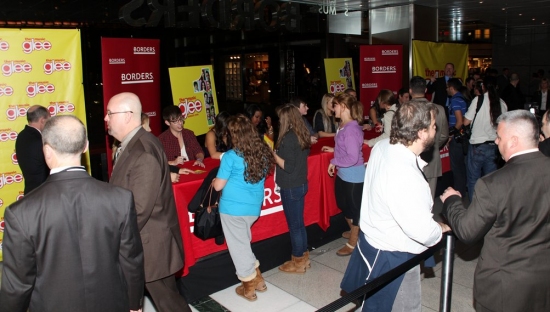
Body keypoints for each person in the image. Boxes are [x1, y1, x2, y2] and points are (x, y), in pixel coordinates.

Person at [0, 115, 145, 312]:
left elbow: (17, 285)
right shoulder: (120, 198)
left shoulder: (21, 213)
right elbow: (131, 261)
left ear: (46, 150)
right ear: (85, 146)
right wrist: (134, 304)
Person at [341, 101, 450, 312]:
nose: (437, 130)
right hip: (395, 257)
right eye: (434, 126)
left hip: (374, 241)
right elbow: (421, 231)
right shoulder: (406, 175)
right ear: (421, 133)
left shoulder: (383, 147)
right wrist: (440, 229)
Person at [440, 110, 550, 312]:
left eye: (499, 136)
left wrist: (452, 201)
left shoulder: (493, 184)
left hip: (504, 287)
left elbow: (467, 231)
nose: (496, 141)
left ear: (514, 140)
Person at [105, 92, 191, 312]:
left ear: (127, 115)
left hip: (151, 245)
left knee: (169, 303)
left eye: (110, 113)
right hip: (144, 241)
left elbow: (140, 209)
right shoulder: (132, 144)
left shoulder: (142, 151)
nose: (106, 118)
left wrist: (112, 235)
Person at [212, 114, 274, 302]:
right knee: (243, 244)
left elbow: (218, 186)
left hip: (233, 209)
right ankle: (260, 280)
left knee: (239, 248)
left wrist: (215, 180)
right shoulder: (262, 150)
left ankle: (249, 287)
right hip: (253, 207)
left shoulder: (231, 156)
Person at [321, 93, 365, 256]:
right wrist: (335, 151)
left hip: (354, 176)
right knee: (343, 205)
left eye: (336, 105)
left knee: (354, 211)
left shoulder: (351, 129)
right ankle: (356, 231)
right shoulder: (343, 125)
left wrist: (334, 161)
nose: (333, 109)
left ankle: (353, 243)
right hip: (344, 174)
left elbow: (353, 157)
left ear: (344, 107)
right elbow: (346, 148)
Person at [274, 105, 311, 274]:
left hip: (290, 185)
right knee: (299, 224)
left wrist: (273, 154)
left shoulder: (288, 138)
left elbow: (287, 166)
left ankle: (298, 260)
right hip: (300, 183)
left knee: (295, 226)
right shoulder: (302, 134)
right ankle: (303, 258)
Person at [463, 76, 507, 202]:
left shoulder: (478, 100)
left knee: (473, 180)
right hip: (494, 147)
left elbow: (466, 122)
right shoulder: (502, 103)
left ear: (483, 87)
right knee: (490, 182)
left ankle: (474, 209)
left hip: (478, 146)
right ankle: (489, 209)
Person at [409, 76, 449, 198]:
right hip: (431, 159)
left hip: (409, 161)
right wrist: (433, 144)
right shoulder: (439, 109)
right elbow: (444, 135)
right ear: (426, 90)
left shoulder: (404, 110)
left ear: (410, 91)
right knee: (429, 200)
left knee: (410, 200)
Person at [15, 105, 50, 194]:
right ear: (42, 120)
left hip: (29, 193)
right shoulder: (40, 141)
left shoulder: (21, 136)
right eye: (49, 119)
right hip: (43, 194)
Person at [446, 78, 469, 197]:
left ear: (452, 88)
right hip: (463, 138)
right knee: (462, 166)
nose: (446, 89)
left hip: (457, 138)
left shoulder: (455, 101)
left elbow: (459, 121)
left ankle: (458, 194)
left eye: (447, 87)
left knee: (457, 168)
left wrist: (450, 135)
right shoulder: (462, 98)